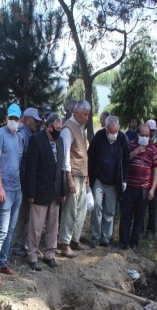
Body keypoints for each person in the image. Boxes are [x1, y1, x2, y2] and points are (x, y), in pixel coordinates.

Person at [0, 103, 24, 286]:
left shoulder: (19, 136)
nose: (14, 121)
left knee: (10, 230)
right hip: (5, 190)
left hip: (17, 189)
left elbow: (18, 162)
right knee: (1, 231)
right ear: (6, 117)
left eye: (17, 118)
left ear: (20, 119)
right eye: (11, 118)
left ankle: (3, 264)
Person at [25, 113, 66, 270]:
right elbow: (31, 169)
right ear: (48, 127)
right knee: (36, 227)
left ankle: (50, 254)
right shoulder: (36, 140)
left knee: (53, 226)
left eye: (60, 128)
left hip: (55, 192)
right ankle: (33, 256)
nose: (58, 131)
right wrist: (30, 193)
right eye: (56, 128)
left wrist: (62, 190)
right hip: (40, 191)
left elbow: (61, 168)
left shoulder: (60, 141)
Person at [88, 115, 129, 247]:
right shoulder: (99, 137)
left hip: (114, 182)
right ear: (106, 129)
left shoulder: (122, 139)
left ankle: (106, 237)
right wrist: (89, 178)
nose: (113, 134)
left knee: (110, 211)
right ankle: (95, 236)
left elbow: (126, 161)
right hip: (99, 179)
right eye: (111, 132)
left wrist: (124, 180)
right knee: (96, 208)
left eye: (115, 132)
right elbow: (90, 157)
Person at [118, 123, 157, 253]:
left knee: (139, 217)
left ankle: (134, 243)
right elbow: (124, 160)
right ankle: (123, 242)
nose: (145, 137)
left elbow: (156, 170)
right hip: (129, 187)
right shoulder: (130, 144)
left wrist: (152, 189)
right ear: (138, 134)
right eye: (142, 135)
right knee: (126, 216)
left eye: (147, 135)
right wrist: (135, 152)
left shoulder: (152, 148)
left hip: (143, 189)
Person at [58, 100, 91, 257]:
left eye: (88, 115)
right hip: (72, 175)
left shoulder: (80, 128)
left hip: (82, 175)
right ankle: (64, 243)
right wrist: (69, 178)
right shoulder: (67, 130)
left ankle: (74, 240)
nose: (87, 118)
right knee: (70, 210)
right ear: (76, 113)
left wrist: (87, 175)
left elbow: (83, 153)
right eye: (85, 114)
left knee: (82, 209)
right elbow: (65, 157)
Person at [11, 107, 43, 258]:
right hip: (22, 182)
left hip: (25, 182)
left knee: (26, 214)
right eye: (35, 120)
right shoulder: (22, 135)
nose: (37, 123)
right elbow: (20, 160)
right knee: (22, 214)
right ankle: (17, 246)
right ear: (28, 119)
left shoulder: (29, 134)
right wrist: (23, 183)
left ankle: (21, 244)